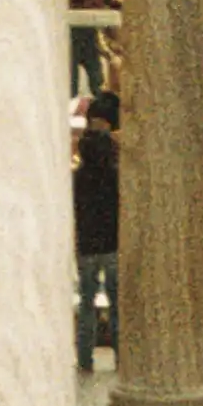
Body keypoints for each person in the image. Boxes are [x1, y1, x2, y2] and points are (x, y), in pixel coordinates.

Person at [73, 88, 121, 374]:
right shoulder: (115, 176)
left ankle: (84, 358)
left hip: (86, 246)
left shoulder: (78, 178)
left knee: (87, 304)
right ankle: (120, 356)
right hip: (112, 244)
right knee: (117, 304)